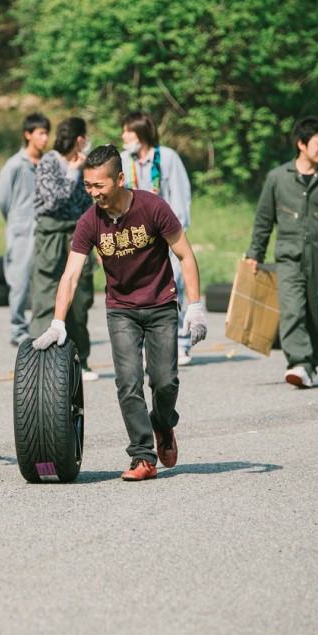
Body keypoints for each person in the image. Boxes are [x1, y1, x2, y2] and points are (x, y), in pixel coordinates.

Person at [32, 144, 208, 481]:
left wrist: (196, 307)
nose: (93, 193)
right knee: (128, 383)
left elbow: (185, 255)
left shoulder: (153, 207)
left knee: (164, 381)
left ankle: (163, 423)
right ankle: (142, 456)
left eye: (100, 185)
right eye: (87, 186)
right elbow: (70, 275)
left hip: (160, 304)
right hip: (121, 310)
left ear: (120, 179)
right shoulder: (89, 222)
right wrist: (57, 322)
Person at [245, 116, 318, 389]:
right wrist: (255, 253)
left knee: (316, 316)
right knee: (292, 311)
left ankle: (311, 364)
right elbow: (264, 219)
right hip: (288, 257)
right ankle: (299, 363)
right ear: (301, 144)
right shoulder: (277, 178)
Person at [120, 111, 195, 365]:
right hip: (135, 239)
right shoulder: (123, 161)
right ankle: (144, 348)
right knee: (139, 291)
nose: (124, 136)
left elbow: (180, 196)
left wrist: (176, 232)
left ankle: (181, 344)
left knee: (175, 287)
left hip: (166, 236)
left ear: (141, 134)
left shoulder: (168, 158)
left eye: (128, 131)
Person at [28, 117, 99, 381]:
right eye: (86, 136)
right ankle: (39, 363)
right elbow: (53, 200)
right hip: (51, 237)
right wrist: (72, 172)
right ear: (79, 138)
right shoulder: (49, 161)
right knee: (46, 298)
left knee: (79, 301)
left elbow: (90, 200)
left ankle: (81, 362)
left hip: (78, 235)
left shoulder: (87, 166)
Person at [0, 113, 51, 346]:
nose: (45, 138)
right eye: (40, 133)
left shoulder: (48, 163)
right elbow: (3, 200)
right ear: (28, 135)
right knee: (19, 281)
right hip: (22, 229)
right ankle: (17, 329)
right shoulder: (15, 165)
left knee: (45, 279)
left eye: (47, 133)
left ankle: (42, 326)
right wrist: (17, 222)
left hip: (45, 228)